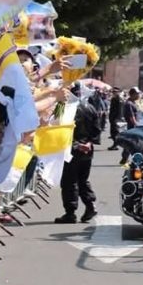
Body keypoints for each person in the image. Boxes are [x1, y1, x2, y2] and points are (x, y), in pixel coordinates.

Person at [55, 83, 100, 224]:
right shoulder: (90, 107)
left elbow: (57, 128)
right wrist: (89, 143)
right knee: (82, 179)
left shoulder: (63, 107)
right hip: (87, 150)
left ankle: (70, 212)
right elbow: (97, 129)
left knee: (69, 181)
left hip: (71, 150)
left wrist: (77, 145)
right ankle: (90, 205)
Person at [120, 87, 141, 164]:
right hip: (131, 126)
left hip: (133, 126)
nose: (138, 95)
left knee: (131, 143)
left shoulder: (133, 102)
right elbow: (131, 116)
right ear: (132, 94)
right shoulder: (129, 104)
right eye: (137, 94)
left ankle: (125, 158)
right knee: (131, 143)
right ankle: (125, 158)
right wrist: (136, 125)